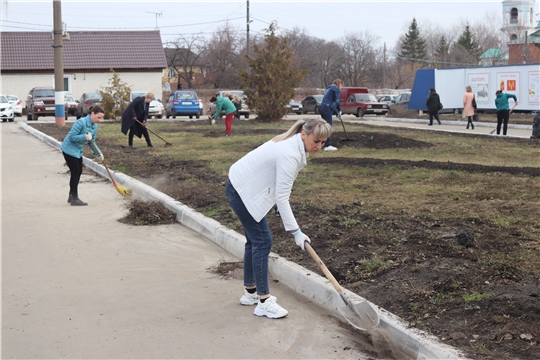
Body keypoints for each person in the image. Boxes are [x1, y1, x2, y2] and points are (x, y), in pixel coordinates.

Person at [226, 118, 332, 319]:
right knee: (262, 241)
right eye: (316, 141)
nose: (319, 146)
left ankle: (250, 293)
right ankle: (264, 301)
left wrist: (277, 206)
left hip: (240, 186)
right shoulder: (289, 154)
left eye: (323, 142)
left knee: (254, 241)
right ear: (304, 134)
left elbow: (277, 185)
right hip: (241, 191)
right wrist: (296, 232)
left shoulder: (292, 144)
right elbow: (283, 197)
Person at [60, 105, 105, 206]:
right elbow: (72, 137)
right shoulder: (81, 122)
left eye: (101, 118)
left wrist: (98, 153)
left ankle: (71, 196)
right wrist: (84, 136)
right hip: (68, 149)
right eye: (98, 117)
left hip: (77, 150)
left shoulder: (94, 126)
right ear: (92, 114)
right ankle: (74, 198)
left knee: (79, 171)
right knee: (76, 172)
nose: (99, 120)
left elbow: (92, 142)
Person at [319, 79, 343, 151]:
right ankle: (327, 145)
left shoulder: (329, 88)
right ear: (340, 84)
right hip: (327, 108)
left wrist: (337, 112)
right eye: (341, 85)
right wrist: (339, 110)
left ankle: (321, 143)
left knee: (324, 126)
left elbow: (331, 104)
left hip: (322, 107)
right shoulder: (336, 89)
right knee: (328, 126)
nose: (341, 87)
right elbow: (337, 101)